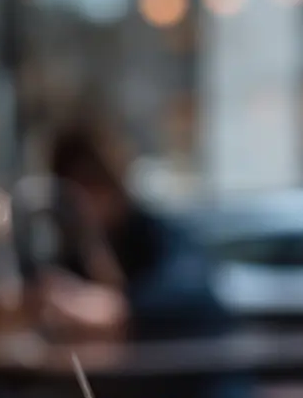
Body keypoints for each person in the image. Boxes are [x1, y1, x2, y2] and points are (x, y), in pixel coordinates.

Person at [42, 126, 231, 341]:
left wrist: (119, 309)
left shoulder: (164, 237)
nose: (84, 202)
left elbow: (194, 294)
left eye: (91, 185)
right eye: (72, 192)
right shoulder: (75, 252)